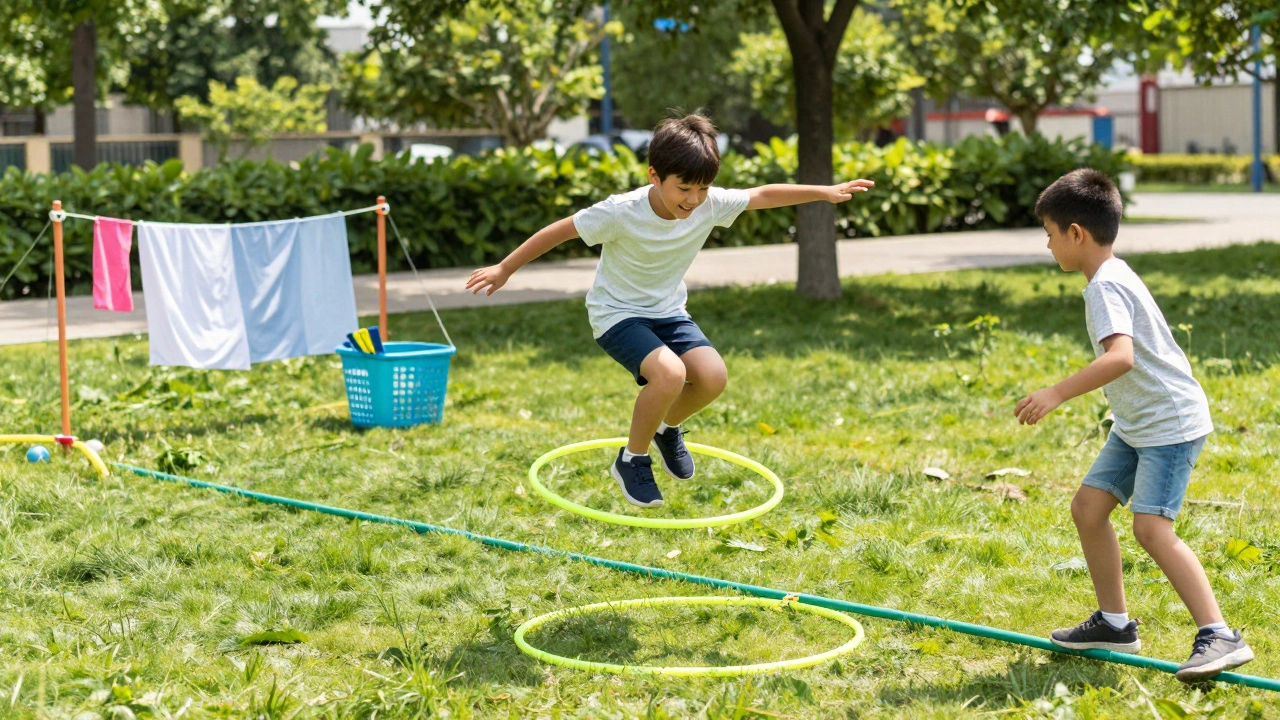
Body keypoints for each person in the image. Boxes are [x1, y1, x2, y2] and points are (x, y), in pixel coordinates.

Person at [466, 113, 873, 508]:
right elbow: (560, 230)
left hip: (668, 311)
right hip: (617, 313)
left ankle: (666, 429)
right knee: (670, 374)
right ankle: (632, 460)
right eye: (684, 189)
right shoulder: (620, 212)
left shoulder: (708, 203)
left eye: (702, 188)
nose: (694, 200)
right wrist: (505, 268)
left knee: (712, 378)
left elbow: (761, 195)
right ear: (654, 176)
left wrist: (824, 191)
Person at [1015, 168, 1252, 682]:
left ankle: (1219, 634)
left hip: (1168, 424)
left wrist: (1056, 392)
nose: (1048, 245)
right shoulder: (1114, 273)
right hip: (1138, 423)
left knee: (1151, 527)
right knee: (1089, 507)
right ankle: (1115, 624)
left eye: (1051, 234)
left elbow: (1120, 357)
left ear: (1076, 233)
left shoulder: (1104, 287)